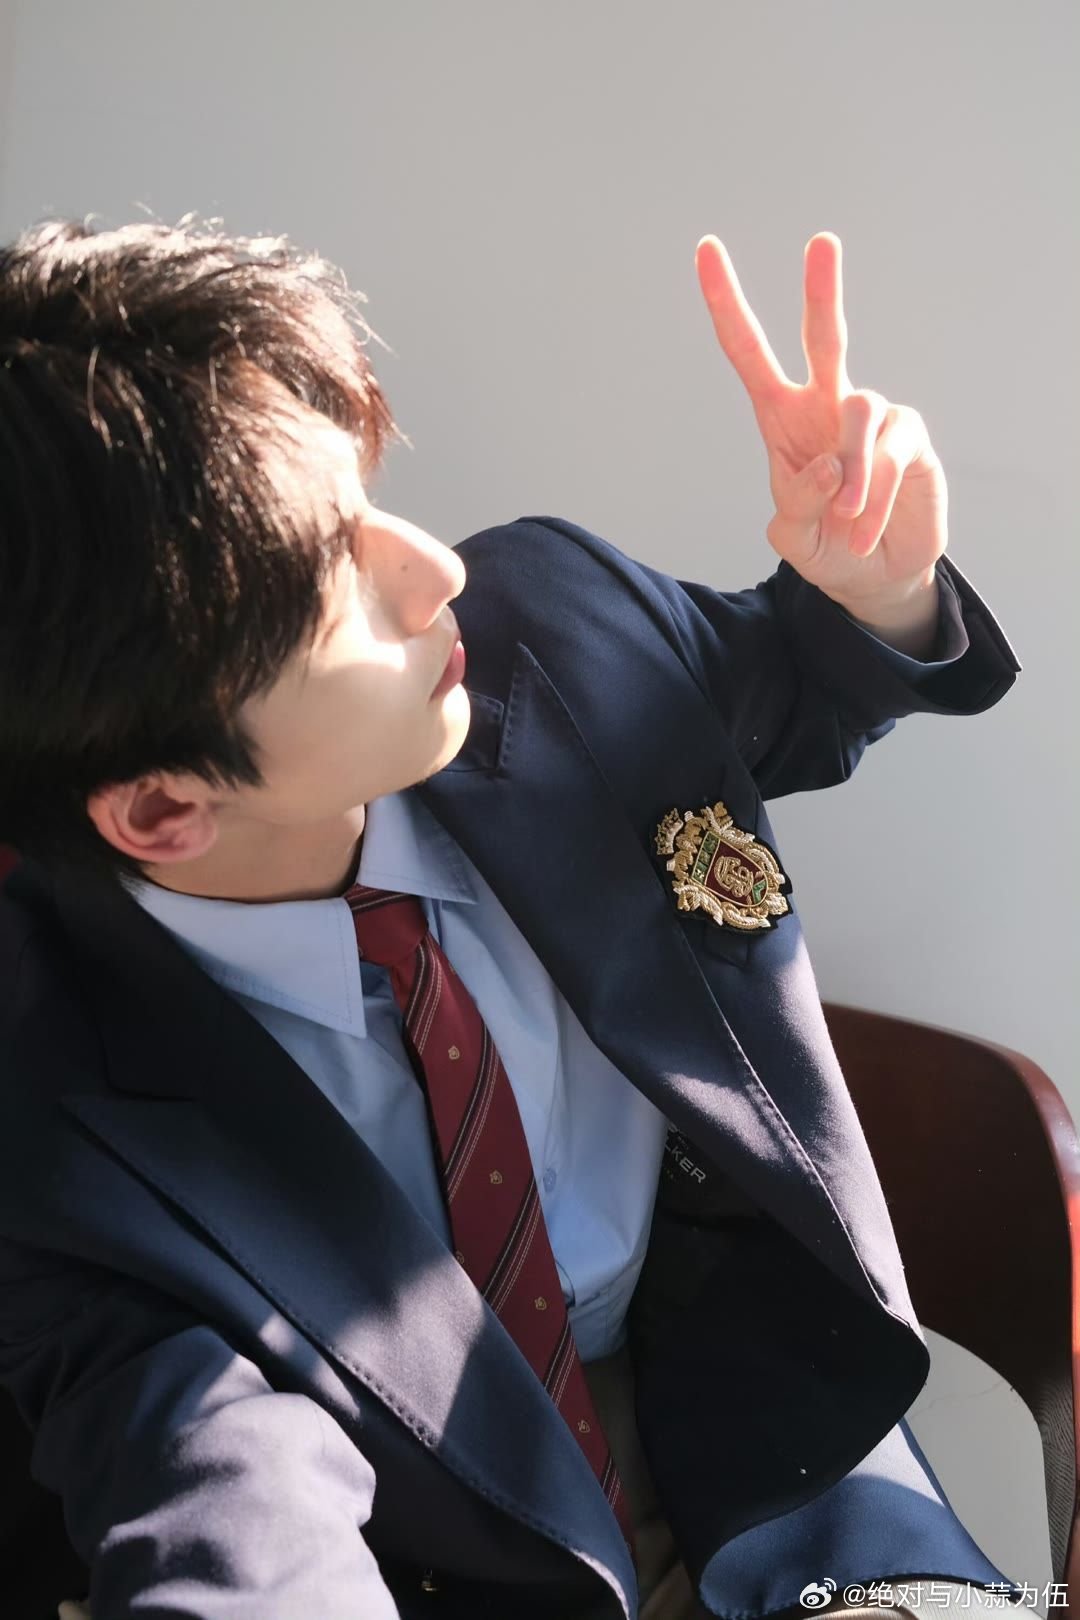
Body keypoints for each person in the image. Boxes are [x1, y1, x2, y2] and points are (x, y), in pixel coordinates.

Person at [0, 217, 1028, 1620]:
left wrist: (874, 585)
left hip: (776, 1425)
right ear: (164, 809)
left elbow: (798, 685)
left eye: (370, 495)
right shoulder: (47, 1106)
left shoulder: (550, 628)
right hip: (434, 1536)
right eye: (329, 582)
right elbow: (217, 1478)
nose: (433, 568)